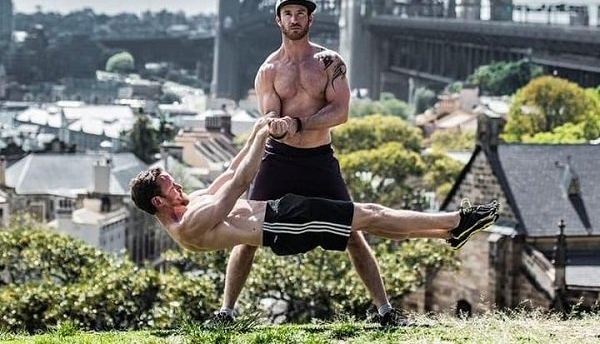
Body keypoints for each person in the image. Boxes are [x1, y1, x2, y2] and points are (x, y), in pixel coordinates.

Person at [130, 122, 499, 323]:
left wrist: (259, 129)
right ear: (160, 202)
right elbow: (241, 183)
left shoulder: (190, 204)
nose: (179, 184)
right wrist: (264, 137)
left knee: (365, 220)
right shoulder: (190, 225)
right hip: (283, 224)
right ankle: (456, 220)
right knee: (368, 214)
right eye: (171, 186)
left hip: (283, 213)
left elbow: (229, 172)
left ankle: (449, 230)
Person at [229, 0, 407, 326]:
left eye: (301, 12)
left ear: (311, 18)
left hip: (319, 160)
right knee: (245, 233)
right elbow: (270, 117)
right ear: (278, 19)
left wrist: (299, 123)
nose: (294, 19)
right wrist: (276, 125)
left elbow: (340, 112)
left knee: (353, 231)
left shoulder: (330, 62)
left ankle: (385, 310)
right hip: (278, 159)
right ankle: (226, 311)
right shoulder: (268, 70)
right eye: (288, 13)